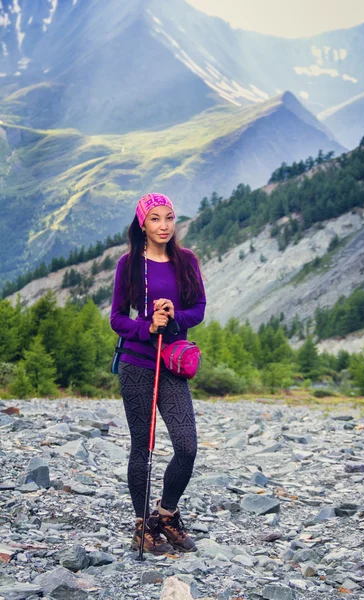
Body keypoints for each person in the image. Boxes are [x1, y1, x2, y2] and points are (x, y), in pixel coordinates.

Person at [110, 192, 206, 555]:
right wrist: (146, 327)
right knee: (143, 448)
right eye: (155, 219)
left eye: (169, 218)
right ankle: (140, 527)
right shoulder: (129, 264)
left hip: (172, 363)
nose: (164, 225)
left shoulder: (186, 261)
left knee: (187, 447)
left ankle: (165, 515)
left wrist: (175, 316)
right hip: (137, 364)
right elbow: (117, 318)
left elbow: (198, 308)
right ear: (142, 224)